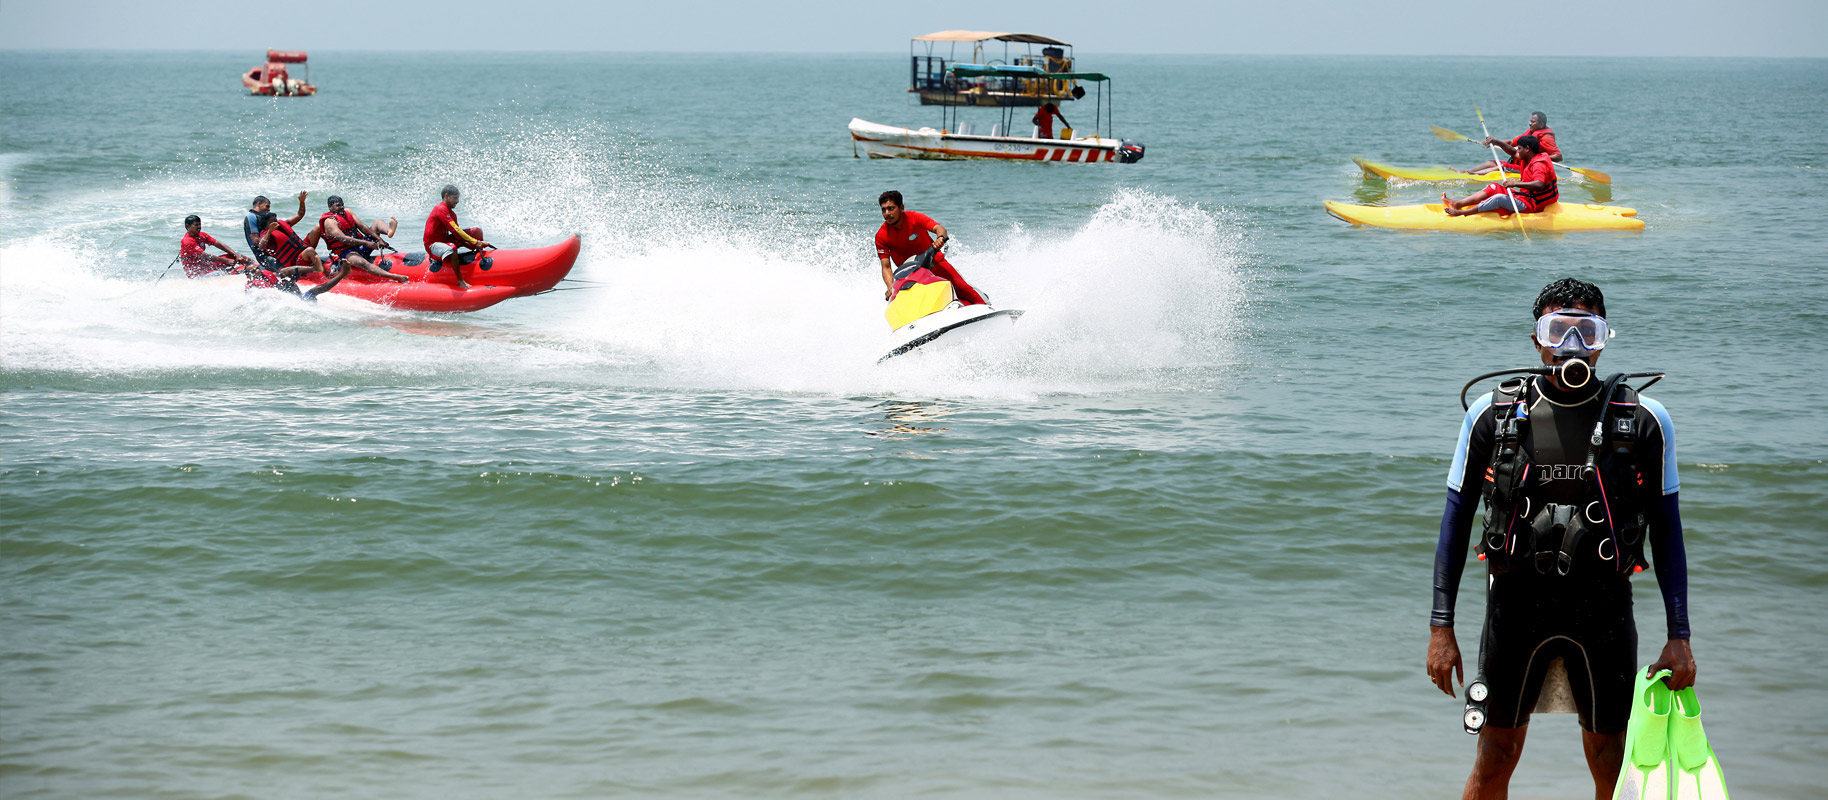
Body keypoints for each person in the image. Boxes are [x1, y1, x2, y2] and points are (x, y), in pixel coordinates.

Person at [1426, 279, 1695, 799]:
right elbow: (1455, 518)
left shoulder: (1644, 419)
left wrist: (1679, 635)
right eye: (1558, 330)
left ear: (1603, 340)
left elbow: (1668, 531)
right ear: (1537, 341)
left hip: (1605, 612)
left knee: (1613, 765)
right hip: (1514, 609)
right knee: (1494, 757)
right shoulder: (1493, 414)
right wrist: (1442, 627)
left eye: (1586, 332)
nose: (1572, 345)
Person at [874, 191, 986, 307]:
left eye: (891, 208)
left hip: (935, 263)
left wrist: (940, 238)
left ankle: (986, 309)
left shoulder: (915, 218)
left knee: (963, 289)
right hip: (910, 274)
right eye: (883, 210)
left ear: (901, 207)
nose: (887, 213)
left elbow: (938, 228)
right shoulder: (881, 236)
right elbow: (886, 267)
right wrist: (890, 286)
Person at [1442, 136, 1557, 216]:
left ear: (1527, 149)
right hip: (1525, 197)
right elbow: (1512, 152)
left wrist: (1514, 183)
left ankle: (1463, 213)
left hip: (1533, 205)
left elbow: (1539, 184)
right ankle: (1458, 204)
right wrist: (1496, 141)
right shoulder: (1527, 157)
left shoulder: (1538, 165)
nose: (1517, 152)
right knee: (1493, 187)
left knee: (1499, 198)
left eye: (1520, 149)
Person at [317, 195, 408, 283]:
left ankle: (389, 231)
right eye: (338, 205)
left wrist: (379, 239)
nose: (341, 207)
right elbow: (343, 239)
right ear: (330, 207)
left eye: (342, 204)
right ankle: (395, 277)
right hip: (347, 253)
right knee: (363, 263)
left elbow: (362, 227)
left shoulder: (348, 212)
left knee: (377, 223)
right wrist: (366, 243)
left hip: (361, 246)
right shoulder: (329, 221)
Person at [423, 185, 492, 291]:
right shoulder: (440, 209)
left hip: (445, 240)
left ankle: (481, 260)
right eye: (455, 198)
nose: (457, 201)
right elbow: (456, 230)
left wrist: (475, 241)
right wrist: (475, 242)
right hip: (432, 245)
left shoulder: (452, 214)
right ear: (446, 196)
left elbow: (457, 234)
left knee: (477, 231)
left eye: (458, 198)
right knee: (451, 248)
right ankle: (460, 280)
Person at [1462, 111, 1562, 175]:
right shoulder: (1531, 131)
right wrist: (1493, 142)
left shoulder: (1546, 137)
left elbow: (1558, 157)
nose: (1529, 123)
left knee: (1500, 167)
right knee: (1491, 162)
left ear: (1541, 124)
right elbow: (1511, 142)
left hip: (1529, 168)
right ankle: (1466, 172)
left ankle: (1470, 175)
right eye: (1530, 121)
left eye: (1533, 122)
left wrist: (1539, 157)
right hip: (1519, 163)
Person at [244, 248, 349, 302]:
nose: (257, 271)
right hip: (295, 304)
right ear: (248, 276)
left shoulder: (265, 276)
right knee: (314, 291)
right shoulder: (253, 288)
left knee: (283, 273)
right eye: (253, 271)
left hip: (296, 299)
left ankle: (314, 268)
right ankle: (343, 274)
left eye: (257, 269)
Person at [252, 211, 328, 275]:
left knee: (318, 228)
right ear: (266, 225)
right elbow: (261, 246)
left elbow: (299, 215)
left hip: (300, 253)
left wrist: (302, 202)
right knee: (310, 250)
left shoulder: (281, 225)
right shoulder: (266, 234)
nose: (276, 223)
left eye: (276, 220)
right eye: (272, 222)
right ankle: (327, 273)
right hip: (293, 263)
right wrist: (270, 231)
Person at [178, 214, 253, 277]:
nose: (199, 227)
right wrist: (226, 260)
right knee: (219, 274)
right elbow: (205, 256)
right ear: (187, 226)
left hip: (207, 265)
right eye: (196, 225)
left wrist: (235, 255)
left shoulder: (202, 235)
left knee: (237, 254)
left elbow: (220, 245)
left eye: (200, 224)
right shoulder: (187, 241)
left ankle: (256, 266)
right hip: (197, 272)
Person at [244, 191, 310, 251]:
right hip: (263, 253)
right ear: (259, 204)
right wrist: (269, 233)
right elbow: (256, 242)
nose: (269, 210)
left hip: (274, 251)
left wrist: (302, 202)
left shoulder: (274, 224)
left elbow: (299, 215)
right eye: (267, 206)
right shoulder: (251, 216)